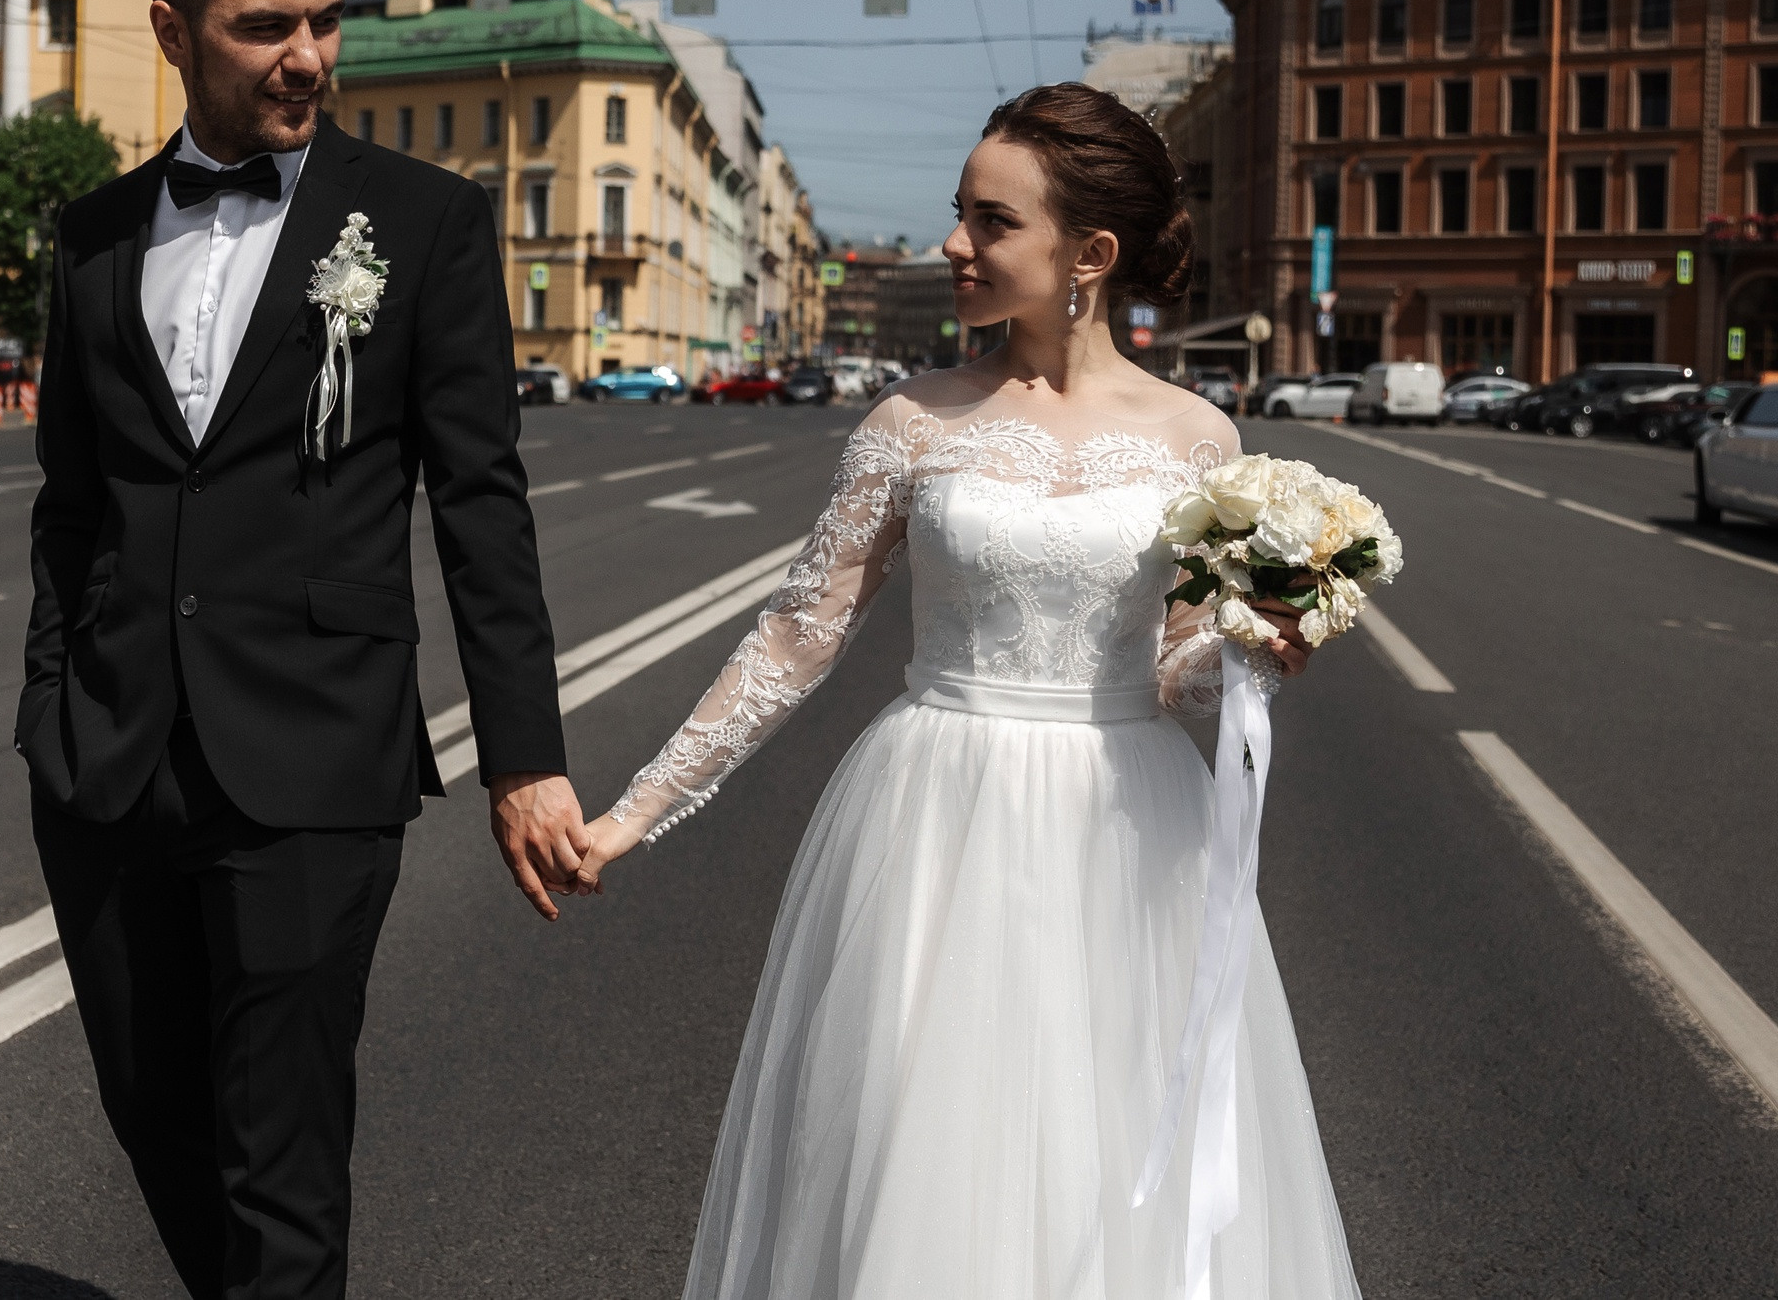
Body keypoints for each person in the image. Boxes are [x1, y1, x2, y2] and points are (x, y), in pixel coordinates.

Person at [576, 84, 1361, 1299]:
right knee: (920, 1149)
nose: (953, 243)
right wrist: (629, 814)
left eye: (989, 222)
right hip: (933, 821)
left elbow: (1178, 669)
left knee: (1108, 1153)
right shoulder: (909, 421)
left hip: (1126, 825)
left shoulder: (1200, 439)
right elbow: (796, 633)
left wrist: (1265, 644)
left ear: (1085, 254)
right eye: (959, 213)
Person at [17, 0, 581, 1300]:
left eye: (325, 20)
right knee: (153, 1109)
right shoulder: (88, 240)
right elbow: (72, 504)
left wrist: (526, 757)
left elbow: (482, 502)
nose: (309, 56)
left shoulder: (423, 224)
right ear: (172, 29)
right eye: (268, 25)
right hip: (113, 753)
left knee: (281, 1139)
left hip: (316, 749)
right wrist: (52, 709)